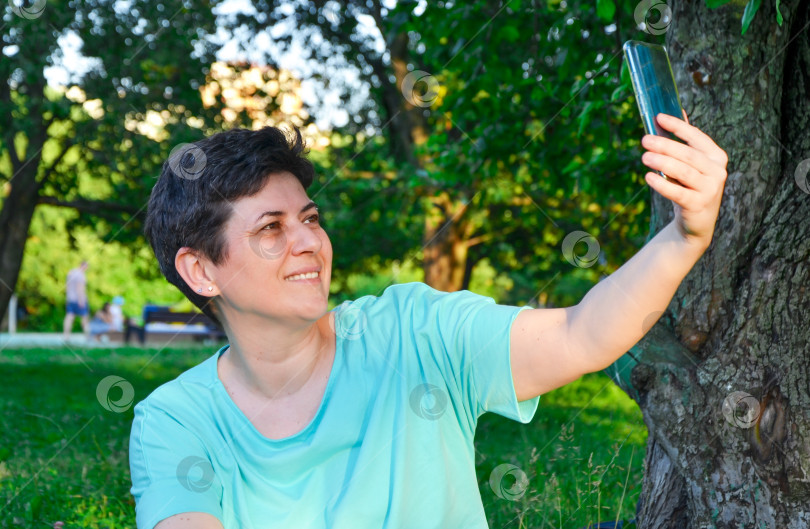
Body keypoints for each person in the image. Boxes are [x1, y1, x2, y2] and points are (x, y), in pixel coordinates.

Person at [130, 118, 728, 529]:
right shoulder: (175, 421)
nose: (309, 241)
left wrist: (684, 236)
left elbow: (582, 334)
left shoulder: (414, 332)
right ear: (201, 271)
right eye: (270, 228)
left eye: (309, 218)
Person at [63, 260, 89, 338]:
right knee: (84, 317)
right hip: (78, 299)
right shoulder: (81, 275)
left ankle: (66, 336)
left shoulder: (71, 272)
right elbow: (79, 288)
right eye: (87, 266)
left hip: (70, 299)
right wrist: (81, 301)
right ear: (83, 266)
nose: (87, 268)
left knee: (69, 317)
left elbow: (67, 286)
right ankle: (88, 337)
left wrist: (67, 298)